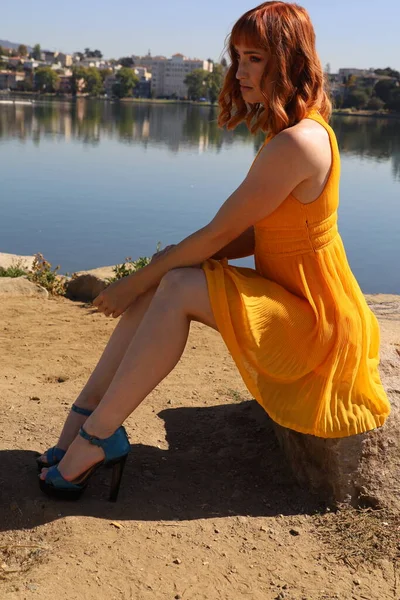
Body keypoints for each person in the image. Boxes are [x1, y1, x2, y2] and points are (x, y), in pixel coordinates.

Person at [38, 1, 391, 500]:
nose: (240, 71)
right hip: (290, 300)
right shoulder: (291, 134)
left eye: (255, 59)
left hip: (317, 324)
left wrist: (133, 282)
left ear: (287, 61)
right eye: (237, 57)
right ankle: (82, 429)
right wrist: (176, 264)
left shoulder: (299, 143)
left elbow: (217, 233)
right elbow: (251, 237)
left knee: (177, 280)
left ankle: (96, 437)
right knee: (176, 274)